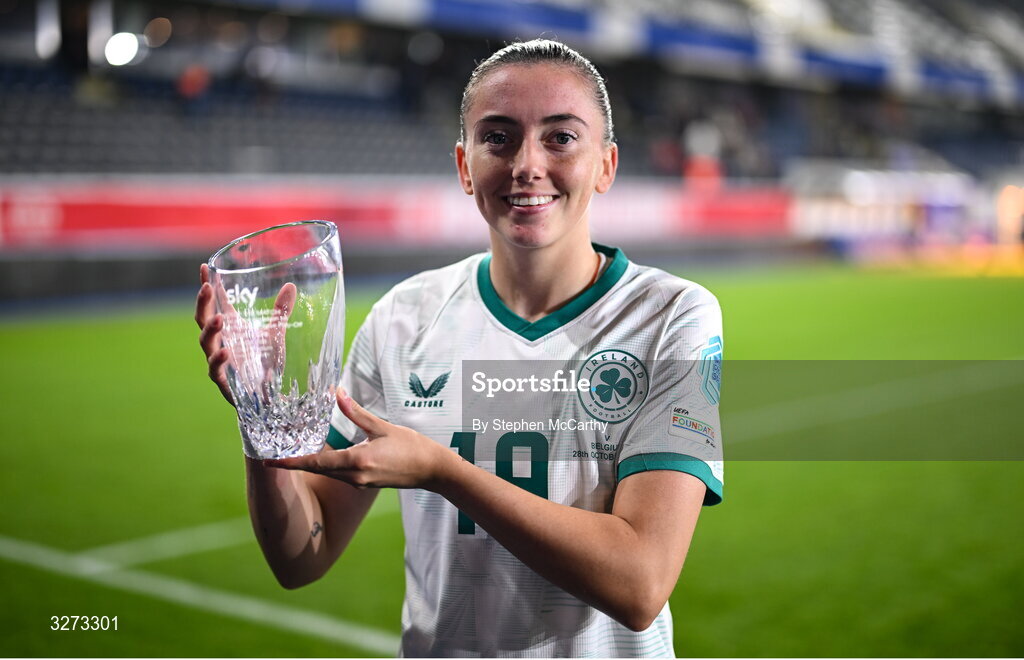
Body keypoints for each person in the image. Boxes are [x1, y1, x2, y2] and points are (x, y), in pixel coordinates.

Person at [195, 38, 723, 657]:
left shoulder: (671, 315)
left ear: (606, 165)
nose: (527, 163)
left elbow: (641, 584)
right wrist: (263, 421)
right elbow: (302, 556)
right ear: (464, 165)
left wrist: (444, 472)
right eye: (498, 137)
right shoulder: (403, 318)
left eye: (561, 137)